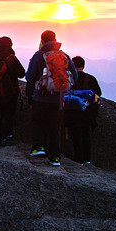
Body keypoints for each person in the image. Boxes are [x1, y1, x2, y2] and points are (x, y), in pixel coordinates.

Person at [25, 30, 78, 167]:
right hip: (57, 99)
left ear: (42, 40)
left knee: (38, 122)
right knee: (55, 127)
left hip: (40, 98)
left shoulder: (38, 56)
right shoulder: (64, 55)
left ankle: (38, 148)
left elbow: (29, 77)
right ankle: (55, 157)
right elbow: (75, 76)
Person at [65, 56, 103, 165]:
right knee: (86, 136)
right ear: (83, 66)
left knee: (76, 136)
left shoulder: (70, 78)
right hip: (88, 113)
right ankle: (87, 159)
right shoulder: (91, 78)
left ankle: (78, 159)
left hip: (73, 113)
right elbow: (98, 93)